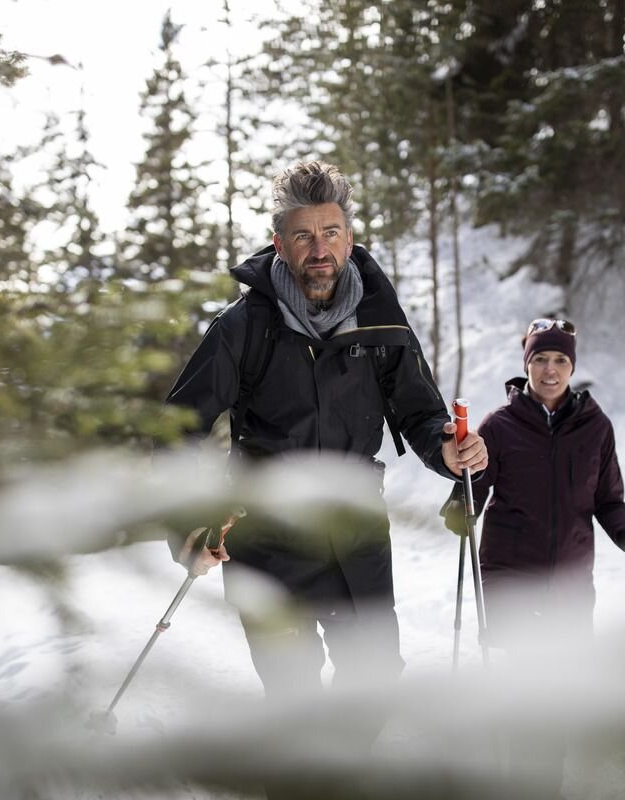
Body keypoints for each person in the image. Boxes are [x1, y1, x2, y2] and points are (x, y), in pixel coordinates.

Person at [165, 159, 487, 727]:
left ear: (350, 236)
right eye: (303, 236)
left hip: (356, 532)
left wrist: (446, 449)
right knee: (294, 705)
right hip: (266, 539)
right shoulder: (244, 326)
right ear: (279, 244)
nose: (320, 249)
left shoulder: (381, 320)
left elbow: (420, 410)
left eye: (331, 232)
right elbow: (176, 430)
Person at [441, 316, 625, 796]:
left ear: (572, 366)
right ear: (527, 365)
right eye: (540, 359)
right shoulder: (499, 426)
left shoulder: (596, 426)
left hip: (571, 584)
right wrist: (459, 506)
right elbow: (474, 488)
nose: (550, 369)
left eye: (560, 360)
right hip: (511, 577)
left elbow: (608, 500)